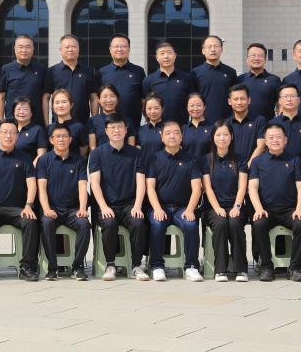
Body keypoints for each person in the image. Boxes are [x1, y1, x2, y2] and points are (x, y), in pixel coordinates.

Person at [0, 120, 40, 282]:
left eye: (12, 132)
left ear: (17, 136)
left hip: (18, 209)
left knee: (30, 222)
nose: (8, 135)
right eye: (4, 132)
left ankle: (27, 267)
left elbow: (32, 183)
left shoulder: (25, 158)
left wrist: (28, 206)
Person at [88, 115, 148, 281]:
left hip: (130, 205)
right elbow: (95, 184)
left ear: (126, 130)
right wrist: (103, 207)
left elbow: (141, 182)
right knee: (109, 223)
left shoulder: (136, 153)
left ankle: (136, 265)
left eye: (120, 127)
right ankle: (110, 265)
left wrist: (137, 206)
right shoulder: (97, 154)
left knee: (138, 223)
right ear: (106, 131)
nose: (116, 131)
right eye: (112, 128)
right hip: (108, 205)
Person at [248, 123, 301, 282]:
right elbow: (252, 188)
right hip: (267, 210)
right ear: (265, 141)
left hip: (290, 210)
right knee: (259, 224)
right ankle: (267, 267)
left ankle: (294, 268)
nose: (275, 140)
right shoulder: (257, 162)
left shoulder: (295, 160)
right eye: (271, 137)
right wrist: (258, 209)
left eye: (278, 137)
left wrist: (299, 209)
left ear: (285, 140)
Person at [144, 121, 204, 281]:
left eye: (176, 132)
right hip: (160, 207)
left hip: (182, 208)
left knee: (191, 225)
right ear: (162, 136)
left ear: (182, 136)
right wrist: (157, 209)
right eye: (168, 133)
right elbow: (150, 188)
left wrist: (190, 210)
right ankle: (157, 266)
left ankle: (191, 266)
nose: (172, 136)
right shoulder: (154, 159)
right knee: (157, 224)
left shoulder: (191, 159)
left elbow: (197, 189)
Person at [37, 123, 91, 281]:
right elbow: (41, 188)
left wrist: (82, 208)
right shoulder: (44, 160)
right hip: (52, 209)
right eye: (57, 136)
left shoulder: (79, 160)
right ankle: (52, 268)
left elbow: (83, 187)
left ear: (70, 139)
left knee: (84, 224)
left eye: (64, 136)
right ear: (51, 140)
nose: (61, 139)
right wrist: (46, 209)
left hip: (72, 210)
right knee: (47, 223)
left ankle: (78, 266)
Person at [201, 121, 249, 282]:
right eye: (218, 135)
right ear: (213, 137)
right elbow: (207, 188)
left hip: (235, 205)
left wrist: (237, 206)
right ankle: (220, 270)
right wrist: (217, 208)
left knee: (235, 223)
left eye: (226, 134)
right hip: (213, 207)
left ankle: (241, 269)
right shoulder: (206, 160)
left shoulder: (240, 159)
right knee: (221, 223)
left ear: (231, 137)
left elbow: (242, 187)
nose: (222, 138)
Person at [43, 34, 98, 125]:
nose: (70, 49)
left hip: (83, 124)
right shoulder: (52, 71)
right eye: (67, 47)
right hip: (59, 125)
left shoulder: (88, 71)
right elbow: (46, 98)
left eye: (74, 47)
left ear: (78, 49)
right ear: (60, 50)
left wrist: (94, 122)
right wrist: (47, 124)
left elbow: (94, 98)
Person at [0, 34, 48, 126]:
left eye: (27, 47)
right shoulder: (6, 69)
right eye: (20, 47)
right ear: (15, 49)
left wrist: (47, 124)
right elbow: (1, 98)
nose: (24, 50)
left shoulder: (41, 70)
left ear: (33, 49)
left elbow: (45, 98)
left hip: (36, 123)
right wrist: (0, 123)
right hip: (12, 123)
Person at [97, 33, 146, 126]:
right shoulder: (102, 72)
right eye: (116, 46)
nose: (120, 49)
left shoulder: (138, 71)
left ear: (129, 49)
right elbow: (96, 98)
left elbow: (144, 99)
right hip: (108, 125)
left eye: (123, 46)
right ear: (110, 49)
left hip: (133, 124)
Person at [142, 41, 197, 123]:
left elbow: (192, 102)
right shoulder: (149, 80)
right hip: (158, 126)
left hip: (181, 126)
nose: (166, 56)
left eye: (169, 53)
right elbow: (144, 105)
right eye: (162, 53)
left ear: (175, 56)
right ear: (157, 57)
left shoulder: (186, 78)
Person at [192, 35, 237, 124]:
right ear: (203, 51)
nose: (213, 49)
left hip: (226, 123)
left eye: (216, 46)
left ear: (221, 50)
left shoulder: (230, 72)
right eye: (209, 47)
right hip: (203, 122)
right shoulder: (195, 73)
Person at [237, 43, 281, 122]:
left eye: (260, 56)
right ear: (247, 59)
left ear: (265, 59)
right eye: (253, 55)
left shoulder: (274, 80)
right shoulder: (240, 79)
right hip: (243, 124)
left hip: (268, 125)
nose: (256, 58)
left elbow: (280, 104)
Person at [224, 84, 267, 165]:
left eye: (242, 99)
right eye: (235, 99)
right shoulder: (226, 124)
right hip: (231, 168)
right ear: (229, 101)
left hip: (254, 168)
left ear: (249, 100)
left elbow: (261, 146)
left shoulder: (259, 121)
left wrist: (247, 167)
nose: (239, 102)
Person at [87, 85, 137, 150]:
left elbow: (132, 147)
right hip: (101, 156)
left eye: (112, 96)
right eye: (105, 97)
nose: (109, 100)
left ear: (117, 99)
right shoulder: (93, 121)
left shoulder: (127, 120)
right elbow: (93, 147)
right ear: (99, 100)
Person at [48, 88, 88, 157]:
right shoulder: (49, 128)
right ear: (53, 106)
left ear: (71, 105)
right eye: (57, 103)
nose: (60, 106)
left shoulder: (79, 127)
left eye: (64, 102)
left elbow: (83, 152)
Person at [182, 92, 212, 160]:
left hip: (207, 165)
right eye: (192, 105)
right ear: (187, 108)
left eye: (198, 105)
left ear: (204, 107)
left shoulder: (212, 128)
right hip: (188, 165)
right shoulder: (183, 129)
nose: (195, 109)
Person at [138, 94, 167, 158]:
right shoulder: (140, 130)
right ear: (145, 110)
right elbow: (138, 152)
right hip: (145, 164)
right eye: (149, 108)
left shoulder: (169, 129)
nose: (153, 111)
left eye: (156, 108)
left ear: (162, 109)